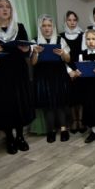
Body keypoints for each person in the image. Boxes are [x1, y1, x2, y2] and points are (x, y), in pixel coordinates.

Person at [0, 0, 35, 155]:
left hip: (18, 71)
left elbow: (26, 51)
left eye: (7, 7)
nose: (5, 9)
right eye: (0, 6)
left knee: (19, 103)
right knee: (5, 104)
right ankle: (9, 137)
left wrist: (26, 49)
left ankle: (20, 136)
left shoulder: (19, 27)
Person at [31, 14, 72, 143]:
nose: (47, 28)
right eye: (44, 25)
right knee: (48, 105)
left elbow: (68, 60)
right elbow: (33, 63)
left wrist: (63, 53)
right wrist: (36, 52)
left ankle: (64, 130)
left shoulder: (60, 40)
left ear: (53, 27)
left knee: (60, 103)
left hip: (59, 75)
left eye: (49, 25)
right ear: (40, 27)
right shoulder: (34, 41)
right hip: (43, 77)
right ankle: (51, 131)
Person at [59, 11, 85, 133]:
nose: (72, 22)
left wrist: (79, 70)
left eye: (74, 20)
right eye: (69, 20)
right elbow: (61, 57)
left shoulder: (82, 35)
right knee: (71, 97)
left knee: (81, 96)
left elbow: (85, 54)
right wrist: (70, 71)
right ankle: (74, 121)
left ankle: (81, 120)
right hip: (67, 70)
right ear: (66, 21)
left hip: (81, 70)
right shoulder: (61, 37)